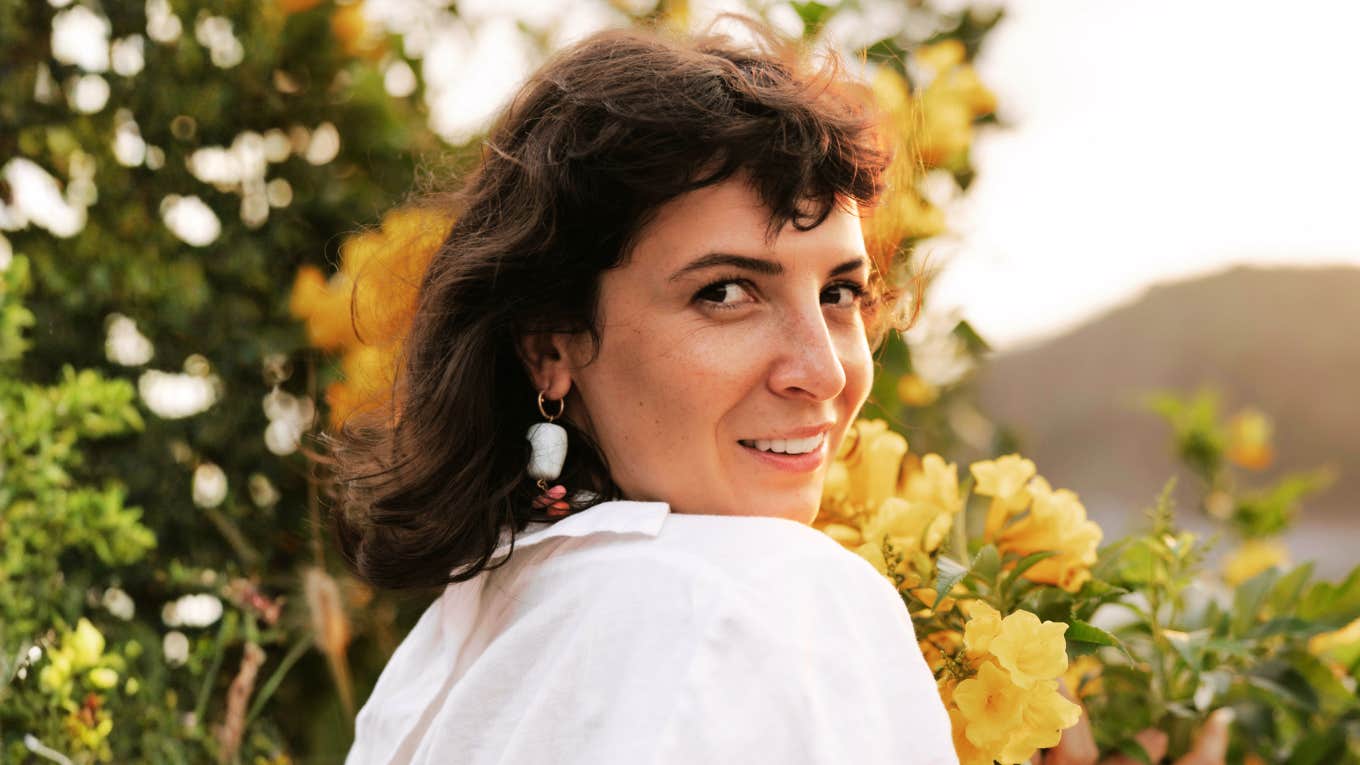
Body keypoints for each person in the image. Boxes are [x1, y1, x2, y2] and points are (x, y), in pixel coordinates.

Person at [329, 12, 958, 765]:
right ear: (551, 347)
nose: (823, 372)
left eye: (840, 293)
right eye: (726, 292)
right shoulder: (778, 596)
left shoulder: (441, 659)